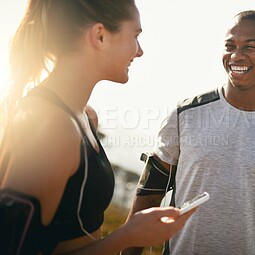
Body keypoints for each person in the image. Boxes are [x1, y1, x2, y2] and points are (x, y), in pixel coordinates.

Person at [0, 0, 195, 254]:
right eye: (135, 36)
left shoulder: (86, 117)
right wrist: (128, 235)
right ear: (100, 36)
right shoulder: (52, 126)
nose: (140, 51)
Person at [124, 10, 255, 255]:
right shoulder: (184, 115)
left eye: (250, 47)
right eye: (230, 46)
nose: (236, 56)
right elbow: (148, 198)